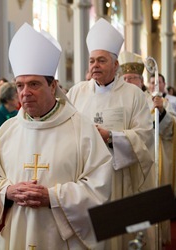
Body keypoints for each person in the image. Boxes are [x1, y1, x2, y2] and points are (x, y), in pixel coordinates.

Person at [0, 23, 113, 249]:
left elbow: (99, 188)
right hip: (17, 234)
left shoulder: (81, 129)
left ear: (53, 86)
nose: (25, 92)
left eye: (34, 84)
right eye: (20, 85)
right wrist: (7, 191)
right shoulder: (8, 130)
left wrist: (53, 198)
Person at [67, 18, 155, 249]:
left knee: (115, 240)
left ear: (116, 65)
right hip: (84, 176)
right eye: (92, 60)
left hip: (117, 179)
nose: (95, 65)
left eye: (102, 60)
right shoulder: (77, 92)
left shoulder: (133, 95)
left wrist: (110, 137)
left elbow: (144, 135)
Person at [119, 51, 176, 245]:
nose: (129, 81)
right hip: (123, 164)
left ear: (141, 80)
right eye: (125, 78)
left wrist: (162, 112)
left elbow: (175, 129)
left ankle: (151, 242)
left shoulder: (157, 101)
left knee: (148, 211)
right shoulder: (118, 102)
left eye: (132, 78)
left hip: (150, 164)